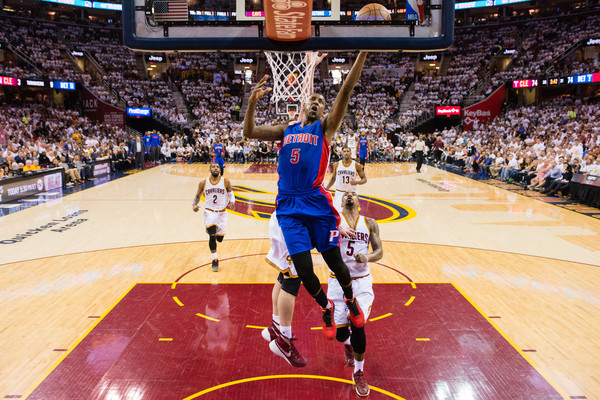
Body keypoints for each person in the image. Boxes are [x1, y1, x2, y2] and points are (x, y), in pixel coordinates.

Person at [244, 52, 369, 341]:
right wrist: (251, 103)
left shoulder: (325, 128)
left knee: (334, 263)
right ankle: (326, 306)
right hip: (287, 205)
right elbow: (249, 131)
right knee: (302, 268)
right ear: (303, 105)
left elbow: (346, 90)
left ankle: (350, 301)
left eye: (321, 102)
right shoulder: (285, 130)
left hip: (314, 201)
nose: (316, 104)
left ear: (324, 110)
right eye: (311, 100)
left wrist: (363, 51)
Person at [329, 191, 382, 397]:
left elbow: (379, 251)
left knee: (358, 323)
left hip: (360, 283)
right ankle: (348, 345)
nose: (350, 195)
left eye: (354, 194)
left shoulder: (370, 222)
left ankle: (358, 372)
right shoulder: (333, 221)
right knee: (340, 334)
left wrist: (367, 257)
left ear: (359, 203)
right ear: (340, 203)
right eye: (346, 194)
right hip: (337, 282)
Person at [262, 211, 307, 367]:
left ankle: (276, 325)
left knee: (284, 274)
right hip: (290, 221)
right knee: (292, 279)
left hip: (285, 216)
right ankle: (284, 341)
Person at [192, 162, 235, 271]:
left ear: (220, 170)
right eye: (213, 167)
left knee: (219, 239)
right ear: (209, 169)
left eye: (217, 167)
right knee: (212, 235)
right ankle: (215, 260)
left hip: (222, 212)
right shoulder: (203, 182)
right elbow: (197, 195)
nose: (216, 168)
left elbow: (230, 193)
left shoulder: (226, 182)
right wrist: (194, 204)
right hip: (209, 211)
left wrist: (232, 201)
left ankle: (214, 232)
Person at [325, 146, 367, 212]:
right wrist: (326, 188)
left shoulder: (356, 165)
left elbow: (364, 179)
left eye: (348, 151)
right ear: (342, 153)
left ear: (351, 153)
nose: (346, 153)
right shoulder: (337, 164)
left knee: (352, 214)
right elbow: (333, 178)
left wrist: (356, 182)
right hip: (339, 192)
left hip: (352, 193)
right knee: (338, 214)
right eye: (344, 151)